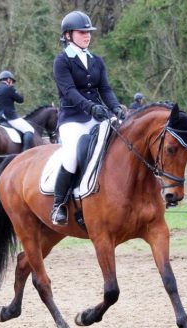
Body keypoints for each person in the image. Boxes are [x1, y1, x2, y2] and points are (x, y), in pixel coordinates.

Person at [50, 10, 125, 225]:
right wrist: (92, 108)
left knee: (116, 150)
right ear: (68, 35)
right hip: (72, 119)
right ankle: (59, 205)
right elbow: (69, 91)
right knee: (73, 156)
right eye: (82, 32)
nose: (87, 35)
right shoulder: (62, 61)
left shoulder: (96, 61)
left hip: (98, 116)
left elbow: (106, 89)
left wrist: (116, 108)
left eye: (88, 32)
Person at [0, 70, 35, 151]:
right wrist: (14, 89)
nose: (12, 83)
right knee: (29, 130)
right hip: (9, 116)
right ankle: (25, 153)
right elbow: (20, 100)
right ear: (8, 80)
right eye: (12, 81)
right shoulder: (9, 89)